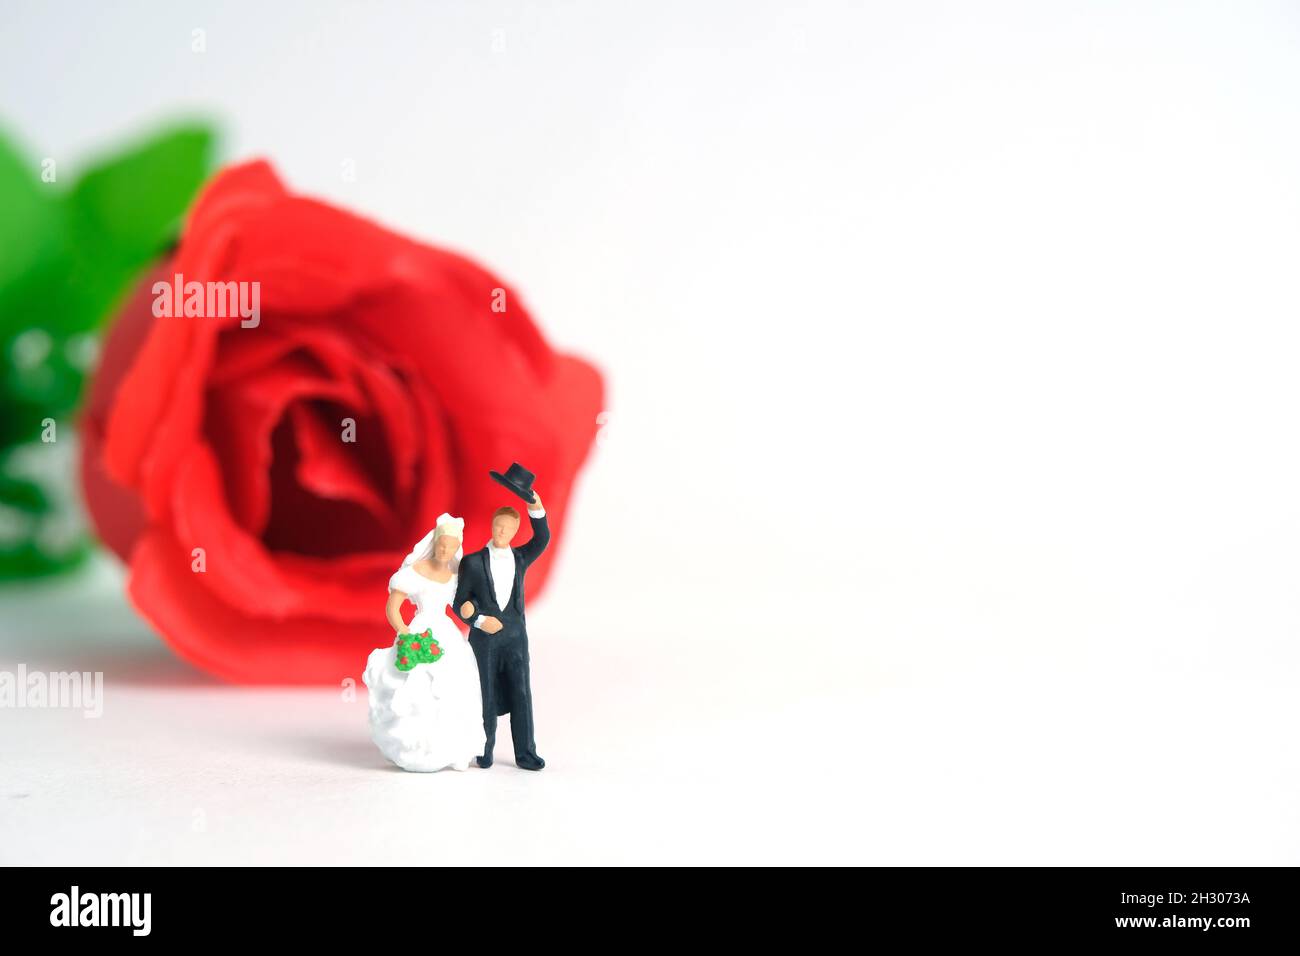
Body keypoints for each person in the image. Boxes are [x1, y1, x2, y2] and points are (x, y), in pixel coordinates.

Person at [362, 513, 485, 772]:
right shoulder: (415, 572)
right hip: (419, 631)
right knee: (416, 685)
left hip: (445, 633)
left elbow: (460, 606)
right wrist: (405, 632)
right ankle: (413, 743)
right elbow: (393, 608)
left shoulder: (455, 574)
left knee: (453, 683)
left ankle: (447, 746)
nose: (445, 550)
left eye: (451, 547)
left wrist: (478, 613)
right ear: (434, 542)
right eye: (442, 545)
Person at [454, 481, 550, 770]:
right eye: (498, 527)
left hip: (516, 639)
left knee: (521, 692)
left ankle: (526, 752)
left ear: (515, 532)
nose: (501, 533)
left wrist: (534, 504)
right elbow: (459, 603)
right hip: (484, 640)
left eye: (508, 529)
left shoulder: (521, 558)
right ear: (492, 526)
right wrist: (480, 620)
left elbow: (543, 537)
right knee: (485, 693)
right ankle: (484, 750)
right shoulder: (472, 563)